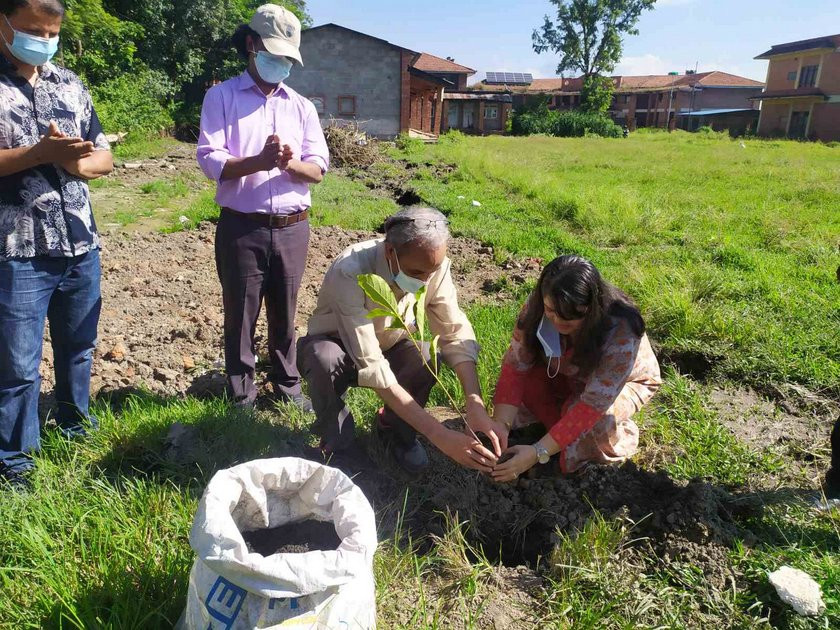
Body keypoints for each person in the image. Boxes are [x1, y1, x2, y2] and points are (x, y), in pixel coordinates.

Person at [298, 206, 506, 474]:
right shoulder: (351, 271)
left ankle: (396, 431)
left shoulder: (433, 267)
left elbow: (453, 331)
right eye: (418, 272)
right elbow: (370, 361)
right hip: (340, 344)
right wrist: (438, 434)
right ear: (390, 252)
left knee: (426, 357)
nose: (426, 280)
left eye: (433, 271)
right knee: (322, 359)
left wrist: (474, 403)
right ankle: (340, 442)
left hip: (391, 342)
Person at [0, 0, 113, 487]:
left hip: (80, 244)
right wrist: (38, 153)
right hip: (17, 250)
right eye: (31, 30)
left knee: (78, 348)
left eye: (50, 33)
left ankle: (73, 429)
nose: (42, 40)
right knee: (17, 365)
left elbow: (103, 155)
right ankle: (15, 463)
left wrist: (76, 163)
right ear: (2, 22)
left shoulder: (68, 82)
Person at [197, 4, 328, 411]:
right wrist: (259, 160)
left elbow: (318, 167)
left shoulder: (301, 106)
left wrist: (288, 162)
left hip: (292, 226)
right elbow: (210, 160)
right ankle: (242, 392)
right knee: (241, 311)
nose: (281, 64)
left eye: (288, 58)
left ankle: (287, 384)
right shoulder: (221, 97)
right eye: (274, 55)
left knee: (286, 310)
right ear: (251, 45)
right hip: (242, 226)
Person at [491, 255, 662, 483]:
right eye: (551, 311)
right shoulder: (537, 308)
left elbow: (592, 406)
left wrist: (537, 453)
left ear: (592, 307)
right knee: (530, 387)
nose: (557, 321)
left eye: (571, 316)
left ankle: (578, 452)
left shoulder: (621, 331)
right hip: (568, 369)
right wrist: (501, 429)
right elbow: (515, 368)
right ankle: (558, 436)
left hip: (623, 383)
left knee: (594, 425)